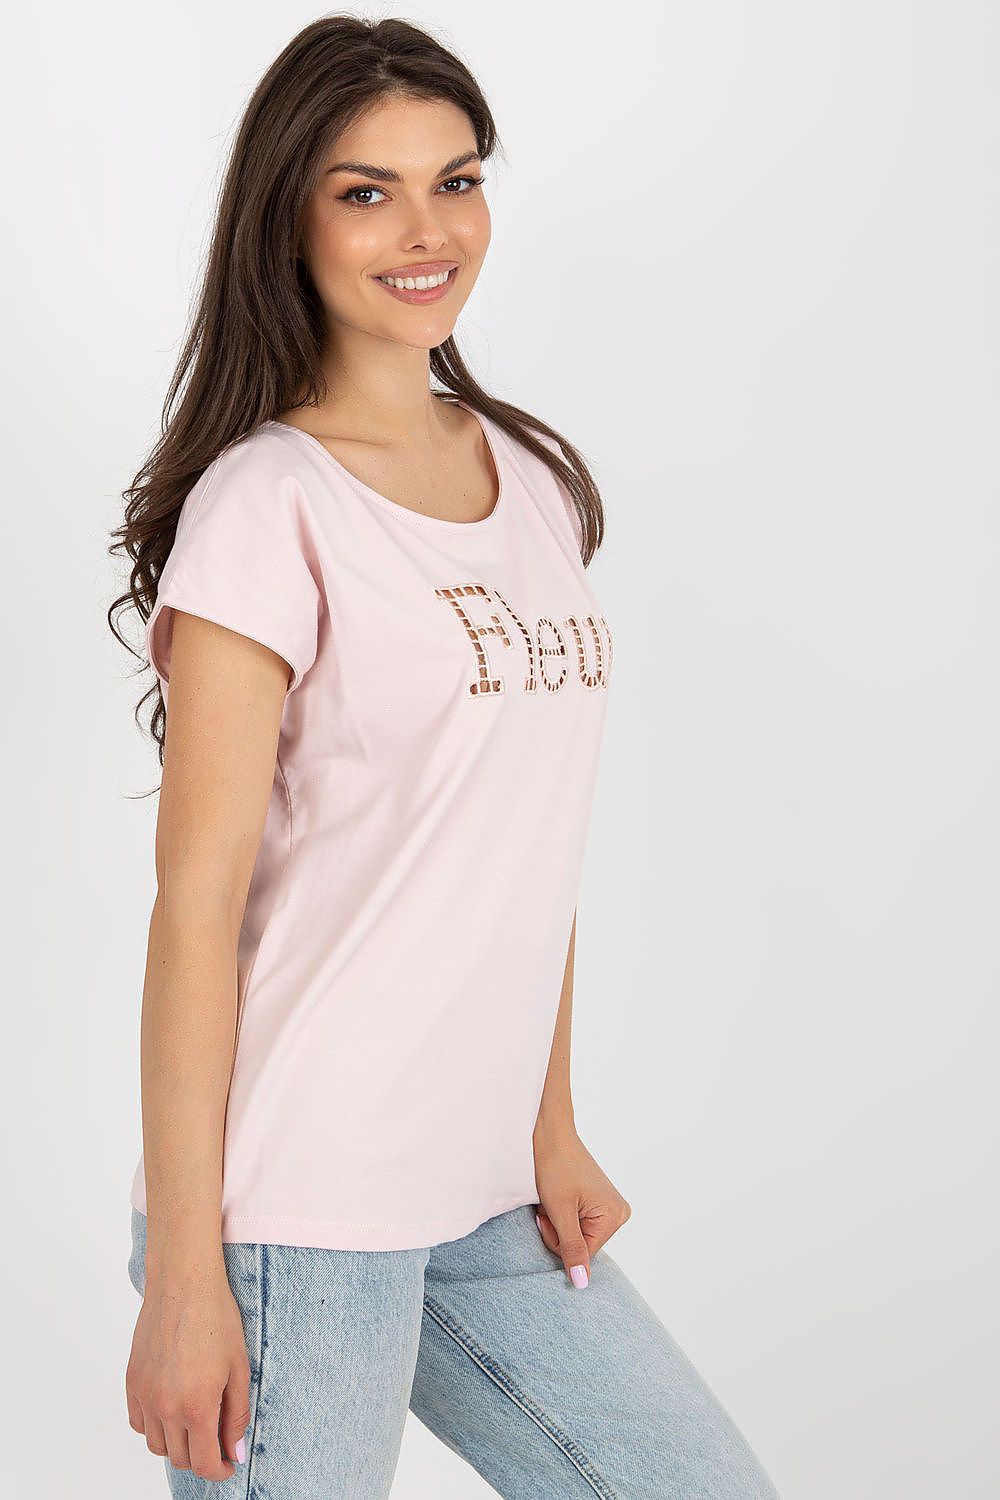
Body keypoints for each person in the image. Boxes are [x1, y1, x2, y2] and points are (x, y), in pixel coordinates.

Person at [110, 15, 780, 1499]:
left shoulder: (525, 474)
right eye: (367, 192)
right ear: (287, 222)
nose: (427, 231)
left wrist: (550, 1128)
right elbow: (195, 911)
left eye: (456, 180)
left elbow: (521, 842)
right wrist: (188, 1277)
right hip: (296, 1200)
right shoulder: (267, 505)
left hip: (482, 1185)